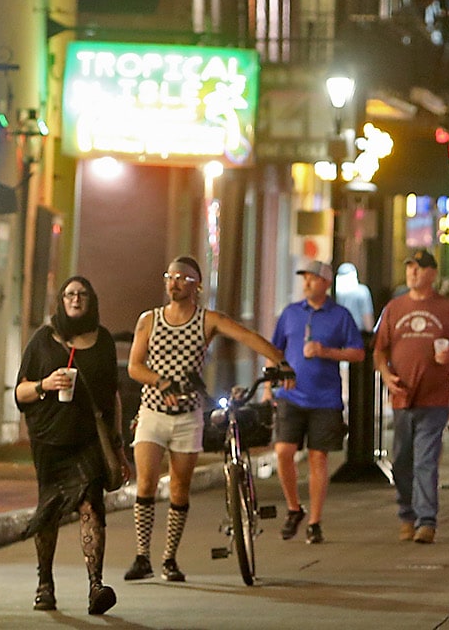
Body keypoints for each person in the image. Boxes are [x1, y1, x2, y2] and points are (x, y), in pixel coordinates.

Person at [124, 254, 291, 580]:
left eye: (182, 278)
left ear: (196, 285)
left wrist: (279, 360)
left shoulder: (207, 320)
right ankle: (142, 555)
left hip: (188, 416)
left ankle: (169, 558)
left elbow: (246, 336)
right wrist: (160, 381)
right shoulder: (149, 320)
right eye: (169, 277)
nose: (174, 284)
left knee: (179, 488)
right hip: (153, 412)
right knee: (145, 482)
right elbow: (134, 366)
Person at [15, 276, 124, 614]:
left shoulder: (103, 340)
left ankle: (96, 585)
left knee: (91, 504)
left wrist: (118, 447)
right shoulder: (43, 340)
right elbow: (20, 392)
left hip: (88, 439)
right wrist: (45, 384)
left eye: (82, 295)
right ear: (61, 300)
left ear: (92, 300)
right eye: (70, 294)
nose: (76, 300)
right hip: (50, 439)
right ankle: (44, 584)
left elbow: (113, 396)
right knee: (49, 510)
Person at [373, 250, 449, 544]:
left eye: (419, 268)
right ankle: (407, 514)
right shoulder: (394, 308)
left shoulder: (448, 309)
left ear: (432, 273)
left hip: (434, 397)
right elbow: (379, 349)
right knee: (402, 460)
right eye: (409, 268)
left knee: (426, 460)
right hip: (402, 397)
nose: (413, 273)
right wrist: (386, 374)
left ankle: (426, 521)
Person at [270, 260, 365, 545]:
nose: (307, 283)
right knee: (284, 451)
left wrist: (326, 352)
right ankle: (294, 507)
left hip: (325, 398)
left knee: (318, 457)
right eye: (305, 279)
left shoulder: (340, 316)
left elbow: (357, 353)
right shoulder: (290, 314)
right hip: (291, 395)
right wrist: (270, 386)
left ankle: (315, 521)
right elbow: (274, 349)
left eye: (313, 278)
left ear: (326, 283)